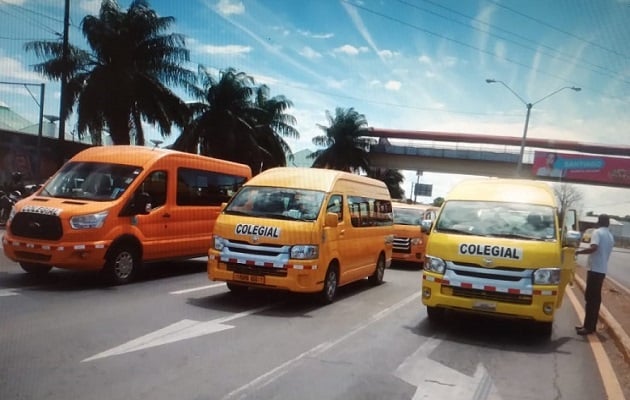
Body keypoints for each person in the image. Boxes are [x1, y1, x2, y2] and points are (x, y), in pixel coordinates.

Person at [574, 214, 615, 335]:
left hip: (595, 270)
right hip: (601, 270)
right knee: (595, 300)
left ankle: (588, 327)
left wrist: (579, 252)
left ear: (599, 222)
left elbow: (594, 248)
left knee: (590, 299)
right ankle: (590, 325)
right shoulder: (610, 236)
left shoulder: (597, 232)